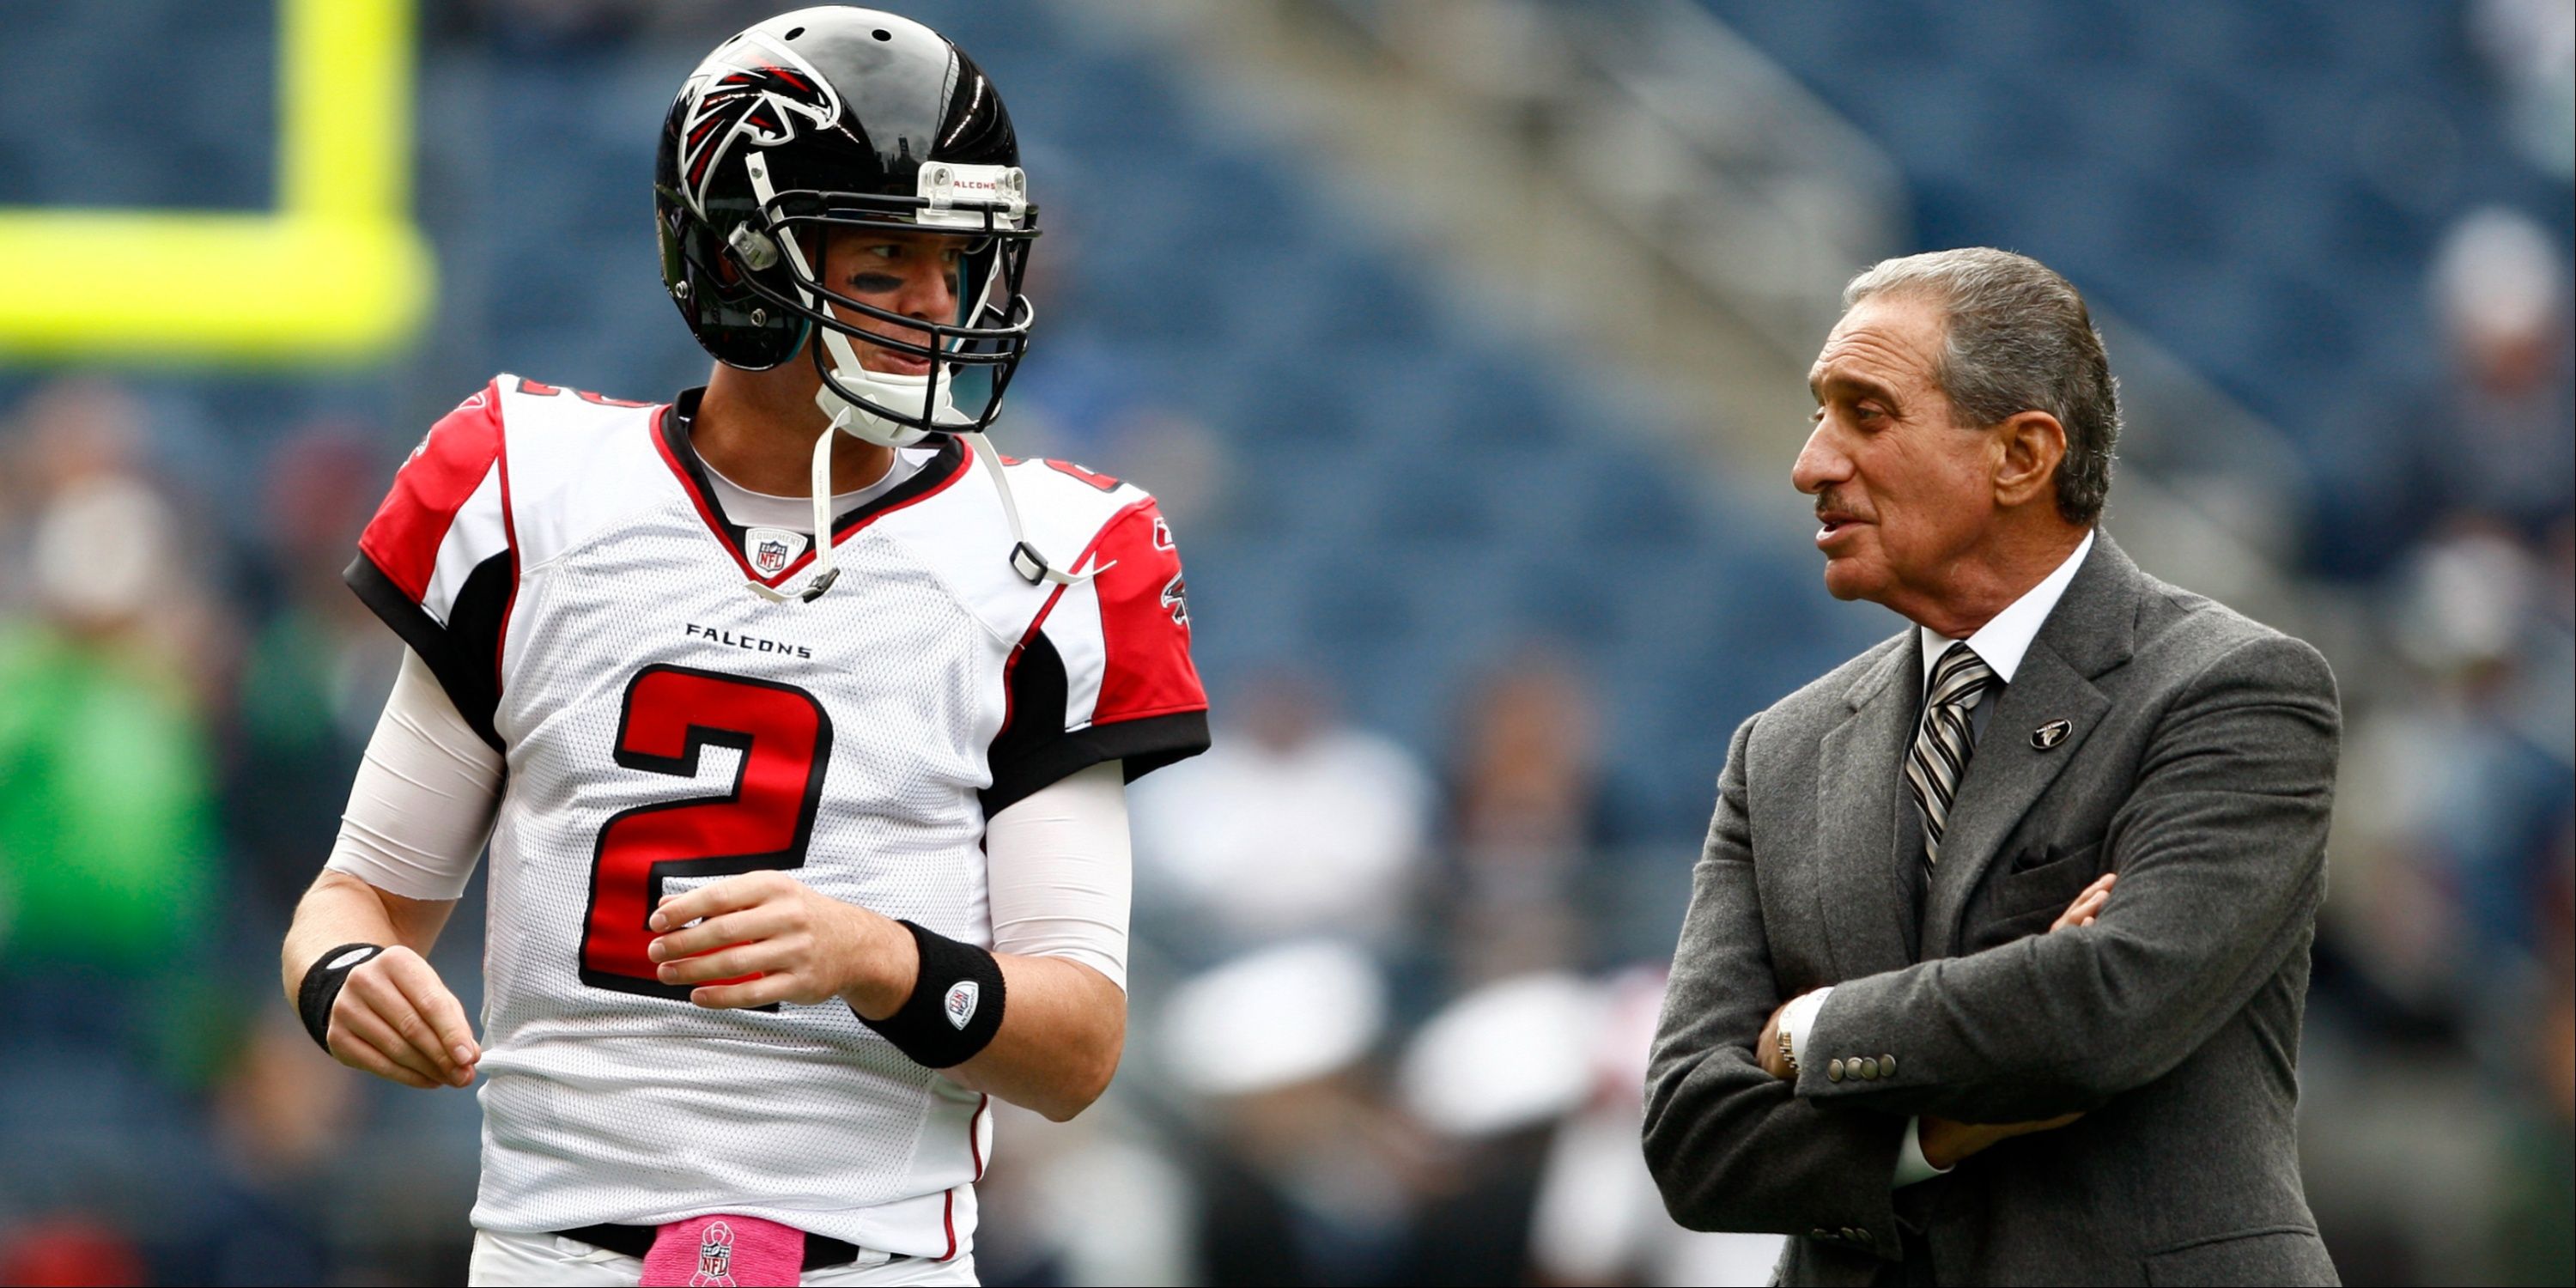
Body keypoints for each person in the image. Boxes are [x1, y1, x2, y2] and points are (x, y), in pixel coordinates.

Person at [276, 10, 1208, 1285]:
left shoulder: (1049, 552)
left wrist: (875, 956)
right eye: (888, 263)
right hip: (550, 1254)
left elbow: (1079, 1045)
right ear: (743, 256)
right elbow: (362, 896)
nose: (939, 305)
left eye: (959, 263)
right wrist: (342, 972)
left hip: (869, 1259)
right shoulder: (528, 492)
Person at [1643, 248, 2341, 1285]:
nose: (1813, 465)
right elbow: (1693, 1137)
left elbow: (2105, 1009)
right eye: (1815, 413)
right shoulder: (1777, 752)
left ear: (2021, 455)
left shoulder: (2235, 691)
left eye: (1865, 414)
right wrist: (1936, 1136)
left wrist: (1813, 1028)